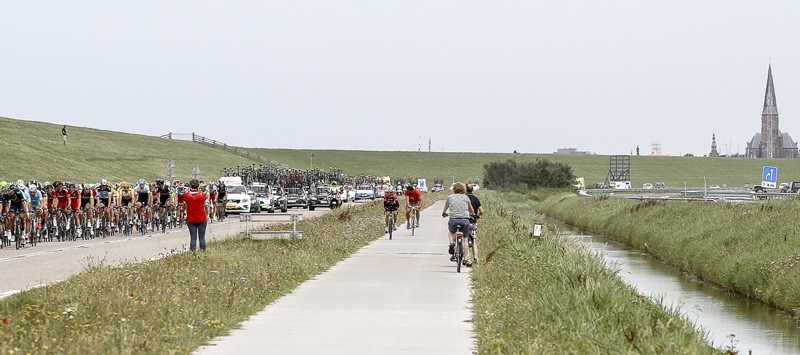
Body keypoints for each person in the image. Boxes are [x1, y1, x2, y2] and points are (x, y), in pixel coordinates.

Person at [441, 182, 474, 267]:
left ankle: (452, 243)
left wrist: (444, 213)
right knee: (466, 239)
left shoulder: (450, 197)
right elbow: (471, 209)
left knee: (451, 232)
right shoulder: (466, 197)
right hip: (465, 220)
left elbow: (446, 207)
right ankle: (466, 259)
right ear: (464, 189)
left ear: (454, 189)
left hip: (453, 220)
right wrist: (472, 213)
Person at [185, 178, 207, 252]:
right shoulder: (201, 196)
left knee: (193, 237)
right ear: (198, 186)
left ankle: (193, 251)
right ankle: (203, 251)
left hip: (191, 219)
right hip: (201, 218)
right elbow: (205, 204)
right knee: (202, 237)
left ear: (190, 185)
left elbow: (185, 205)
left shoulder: (187, 196)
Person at [466, 184, 484, 266]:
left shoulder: (464, 199)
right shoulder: (476, 199)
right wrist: (478, 216)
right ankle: (476, 258)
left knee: (465, 240)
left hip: (465, 221)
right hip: (473, 222)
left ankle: (466, 258)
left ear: (465, 190)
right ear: (472, 190)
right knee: (473, 241)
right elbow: (481, 211)